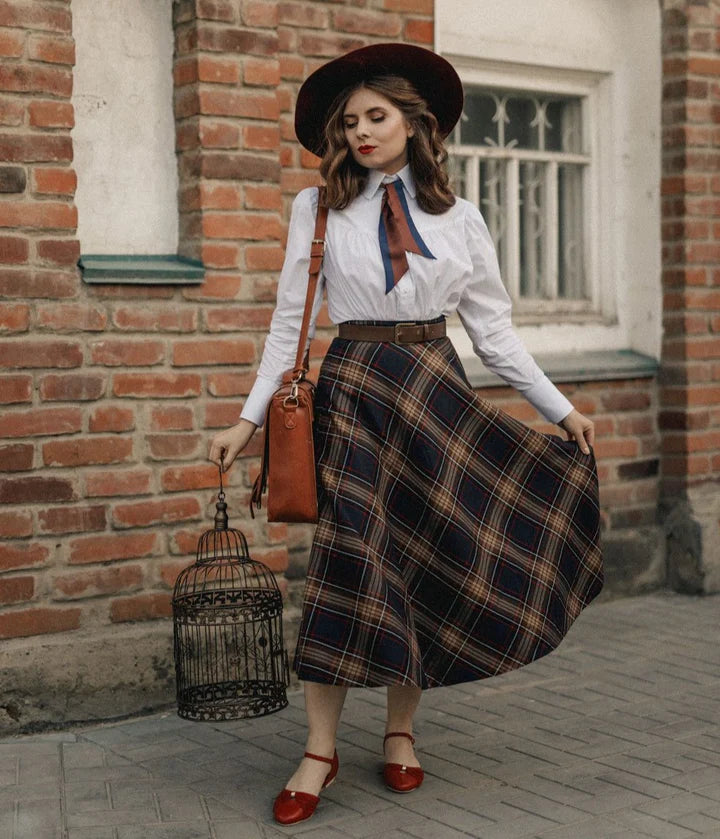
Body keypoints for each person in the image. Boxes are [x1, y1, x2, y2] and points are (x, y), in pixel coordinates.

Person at [208, 43, 603, 826]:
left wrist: (560, 408)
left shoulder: (462, 219)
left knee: (422, 560)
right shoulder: (315, 209)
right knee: (348, 566)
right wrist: (247, 418)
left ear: (416, 123)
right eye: (349, 121)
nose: (360, 132)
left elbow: (493, 334)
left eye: (376, 117)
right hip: (353, 392)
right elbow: (289, 324)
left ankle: (400, 731)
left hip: (434, 391)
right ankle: (318, 749)